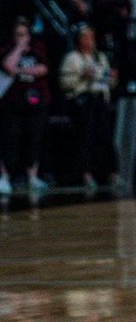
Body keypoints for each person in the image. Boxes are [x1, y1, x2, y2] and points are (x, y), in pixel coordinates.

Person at [59, 25, 117, 191]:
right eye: (85, 37)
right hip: (83, 100)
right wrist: (82, 77)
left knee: (105, 137)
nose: (89, 41)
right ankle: (86, 174)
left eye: (91, 37)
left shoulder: (100, 57)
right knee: (86, 137)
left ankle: (110, 173)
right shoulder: (72, 58)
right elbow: (65, 83)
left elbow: (106, 80)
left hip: (100, 100)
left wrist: (112, 79)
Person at [0, 19, 51, 197]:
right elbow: (8, 66)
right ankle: (5, 177)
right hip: (12, 102)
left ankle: (32, 176)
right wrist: (19, 48)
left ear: (29, 35)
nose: (21, 38)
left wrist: (20, 72)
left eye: (24, 34)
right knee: (10, 139)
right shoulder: (7, 49)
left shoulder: (38, 49)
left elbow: (42, 69)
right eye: (18, 35)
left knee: (34, 138)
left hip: (36, 101)